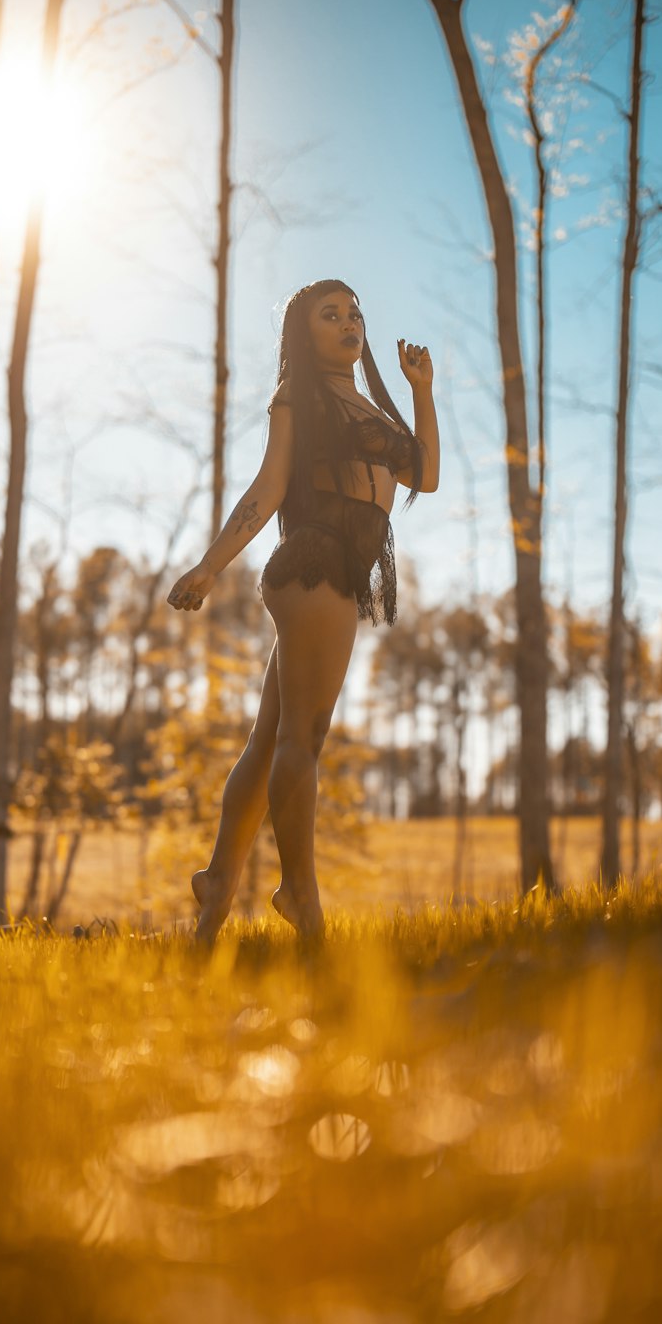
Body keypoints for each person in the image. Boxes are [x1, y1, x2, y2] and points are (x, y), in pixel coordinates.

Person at [167, 279, 440, 945]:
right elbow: (269, 487)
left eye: (355, 311)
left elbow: (425, 476)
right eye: (330, 314)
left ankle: (215, 891)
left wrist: (421, 391)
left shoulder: (369, 405)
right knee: (304, 741)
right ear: (304, 333)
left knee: (269, 744)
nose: (349, 321)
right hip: (314, 563)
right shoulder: (301, 396)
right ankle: (299, 894)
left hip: (339, 575)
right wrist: (210, 565)